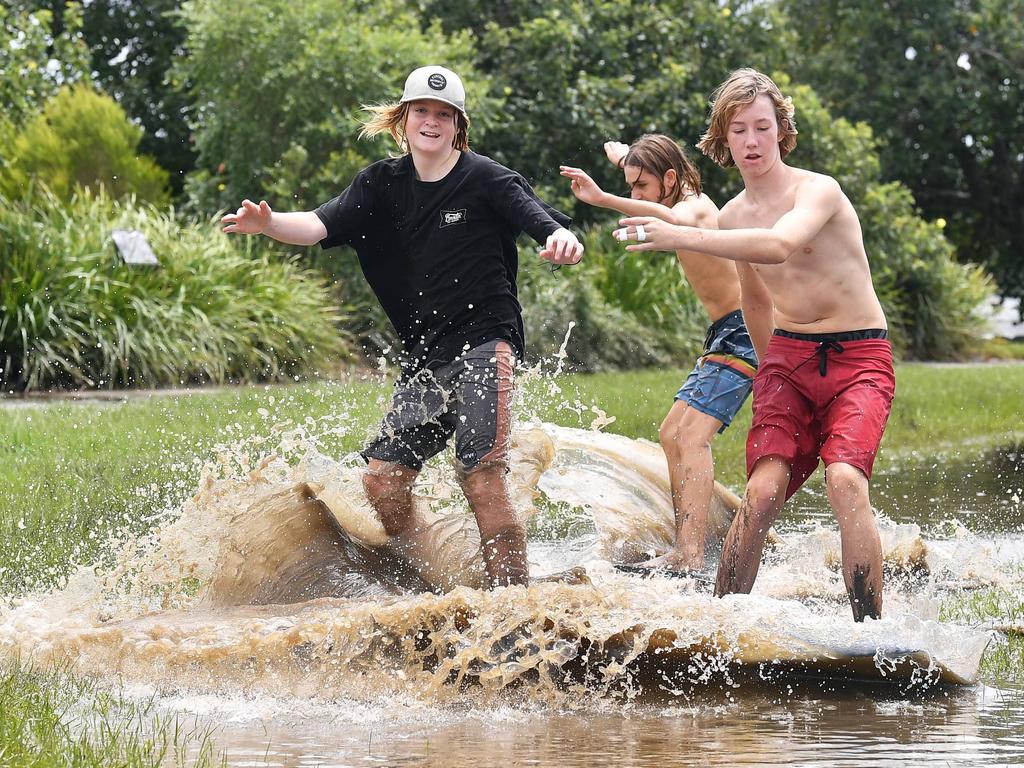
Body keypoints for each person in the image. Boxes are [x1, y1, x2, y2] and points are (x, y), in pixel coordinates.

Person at [222, 65, 584, 589]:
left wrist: (560, 240)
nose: (431, 121)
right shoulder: (379, 185)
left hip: (486, 343)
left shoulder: (488, 179)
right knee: (383, 482)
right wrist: (269, 223)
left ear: (457, 125)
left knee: (480, 473)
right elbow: (320, 224)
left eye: (444, 114)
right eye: (422, 111)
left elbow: (540, 223)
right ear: (403, 119)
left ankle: (515, 605)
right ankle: (433, 581)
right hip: (425, 359)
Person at [612, 68, 894, 621]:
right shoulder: (733, 214)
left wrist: (680, 235)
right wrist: (770, 377)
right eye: (738, 129)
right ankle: (721, 622)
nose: (751, 141)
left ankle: (872, 632)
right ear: (724, 139)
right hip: (787, 355)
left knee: (843, 480)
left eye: (762, 127)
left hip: (858, 353)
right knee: (763, 492)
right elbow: (757, 305)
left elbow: (780, 244)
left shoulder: (818, 190)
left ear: (781, 132)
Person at [559, 135, 757, 576]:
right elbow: (652, 187)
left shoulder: (695, 209)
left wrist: (603, 198)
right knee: (672, 433)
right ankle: (691, 541)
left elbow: (670, 216)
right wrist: (622, 155)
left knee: (691, 437)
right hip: (724, 334)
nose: (635, 194)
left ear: (670, 177)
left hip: (747, 334)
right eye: (630, 186)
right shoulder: (671, 186)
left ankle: (689, 556)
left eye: (640, 186)